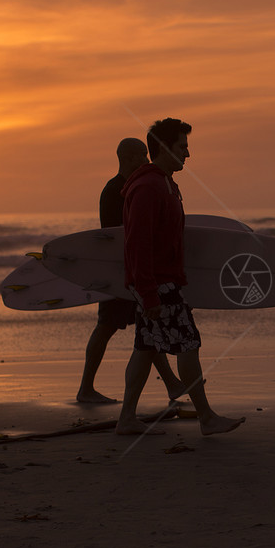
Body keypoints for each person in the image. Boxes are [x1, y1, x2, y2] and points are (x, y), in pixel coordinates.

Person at [116, 118, 245, 435]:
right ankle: (206, 418)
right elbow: (138, 243)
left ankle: (126, 418)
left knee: (146, 348)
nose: (188, 154)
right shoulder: (148, 187)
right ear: (163, 148)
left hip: (158, 282)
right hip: (158, 284)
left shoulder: (164, 183)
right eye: (182, 147)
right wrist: (149, 294)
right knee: (188, 345)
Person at [77, 137, 190, 404]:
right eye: (140, 155)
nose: (146, 159)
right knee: (107, 327)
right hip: (120, 273)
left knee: (146, 328)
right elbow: (119, 236)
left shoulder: (131, 187)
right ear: (126, 158)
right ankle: (85, 389)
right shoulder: (116, 190)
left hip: (131, 273)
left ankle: (172, 384)